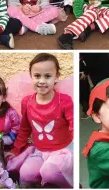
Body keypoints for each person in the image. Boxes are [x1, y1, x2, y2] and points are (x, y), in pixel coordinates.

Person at [7, 54, 73, 188]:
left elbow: (74, 125)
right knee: (26, 174)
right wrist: (16, 149)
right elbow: (25, 128)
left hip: (62, 150)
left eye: (47, 76)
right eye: (37, 76)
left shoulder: (64, 101)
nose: (42, 81)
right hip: (40, 151)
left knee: (49, 172)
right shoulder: (27, 102)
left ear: (57, 76)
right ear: (31, 76)